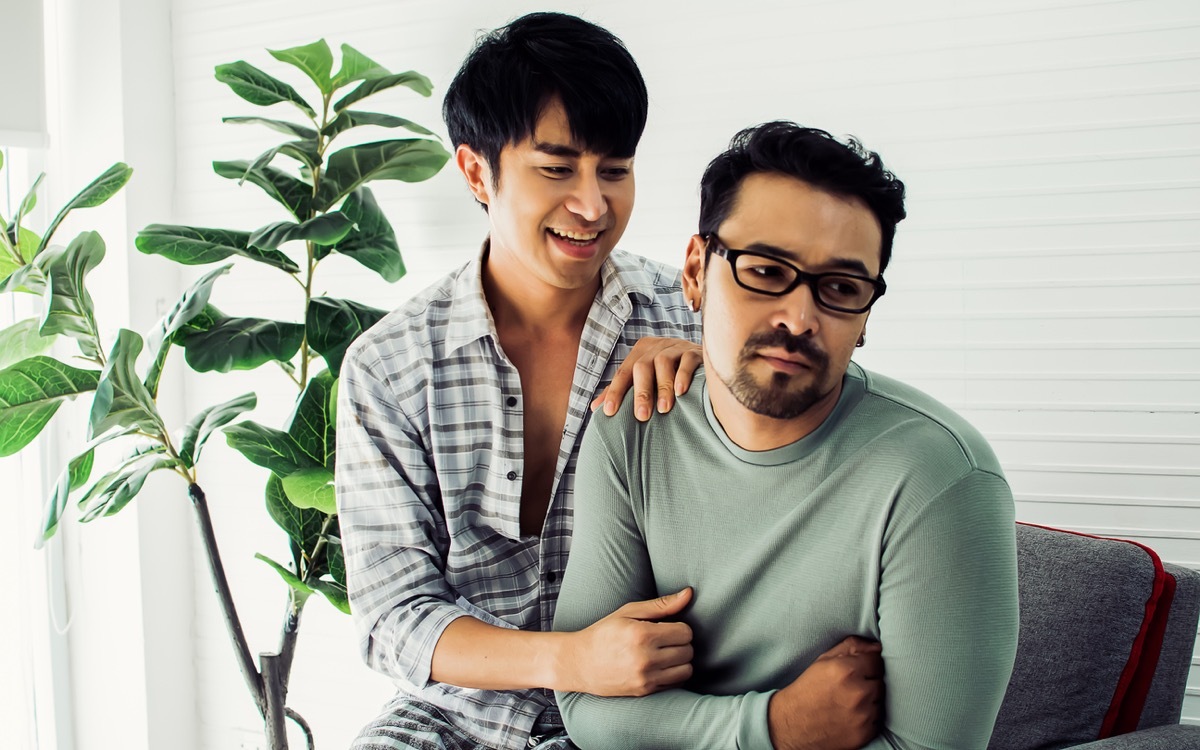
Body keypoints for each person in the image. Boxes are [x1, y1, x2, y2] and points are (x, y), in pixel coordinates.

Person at [554, 122, 1020, 750]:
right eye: (767, 270)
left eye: (841, 289)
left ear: (866, 316)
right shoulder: (632, 426)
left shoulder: (940, 477)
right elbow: (586, 708)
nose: (799, 318)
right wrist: (774, 726)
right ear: (696, 271)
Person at [335, 12, 708, 750]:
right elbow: (391, 619)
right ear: (477, 171)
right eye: (557, 168)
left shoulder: (693, 318)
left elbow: (829, 389)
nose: (593, 206)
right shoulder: (391, 366)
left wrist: (720, 377)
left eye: (615, 170)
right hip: (455, 718)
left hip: (649, 718)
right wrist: (574, 660)